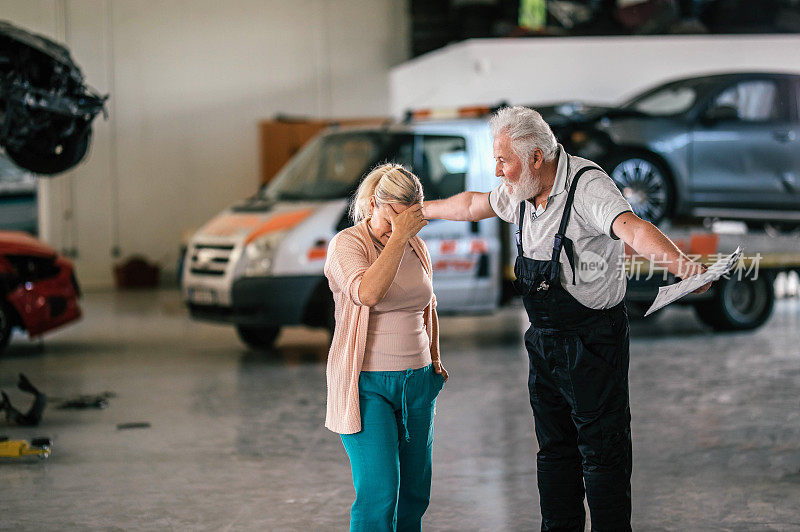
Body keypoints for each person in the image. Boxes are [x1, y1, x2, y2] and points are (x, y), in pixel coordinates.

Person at [423, 106, 711, 531]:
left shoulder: (587, 187)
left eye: (504, 159)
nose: (497, 170)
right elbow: (472, 205)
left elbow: (632, 228)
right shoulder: (520, 189)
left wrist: (682, 266)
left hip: (594, 342)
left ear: (536, 157)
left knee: (602, 455)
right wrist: (419, 213)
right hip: (544, 342)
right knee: (554, 453)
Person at [324, 163, 449, 532]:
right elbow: (367, 293)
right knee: (380, 494)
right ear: (375, 203)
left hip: (418, 382)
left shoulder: (417, 247)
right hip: (367, 386)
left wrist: (436, 362)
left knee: (414, 494)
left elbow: (428, 305)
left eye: (412, 217)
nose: (405, 225)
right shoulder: (347, 244)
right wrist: (397, 238)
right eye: (396, 214)